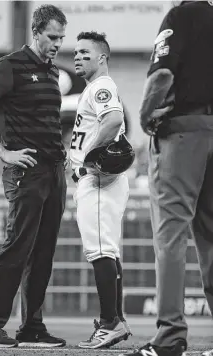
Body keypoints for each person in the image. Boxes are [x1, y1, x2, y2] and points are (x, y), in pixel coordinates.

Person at [0, 4, 67, 348]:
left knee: (43, 252)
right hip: (25, 172)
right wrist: (2, 152)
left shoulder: (52, 71)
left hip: (53, 172)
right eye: (52, 37)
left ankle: (32, 328)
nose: (57, 44)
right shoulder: (9, 66)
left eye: (61, 38)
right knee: (17, 247)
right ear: (35, 32)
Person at [127, 2, 213, 356]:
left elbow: (162, 75)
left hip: (183, 133)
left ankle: (170, 336)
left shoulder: (181, 15)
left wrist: (146, 115)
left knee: (171, 235)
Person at [69, 31, 132, 349]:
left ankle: (110, 324)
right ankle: (115, 320)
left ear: (102, 57)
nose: (77, 56)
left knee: (100, 251)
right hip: (103, 181)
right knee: (108, 249)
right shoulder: (95, 87)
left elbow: (113, 120)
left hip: (97, 180)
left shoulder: (102, 86)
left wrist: (85, 162)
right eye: (76, 52)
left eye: (84, 52)